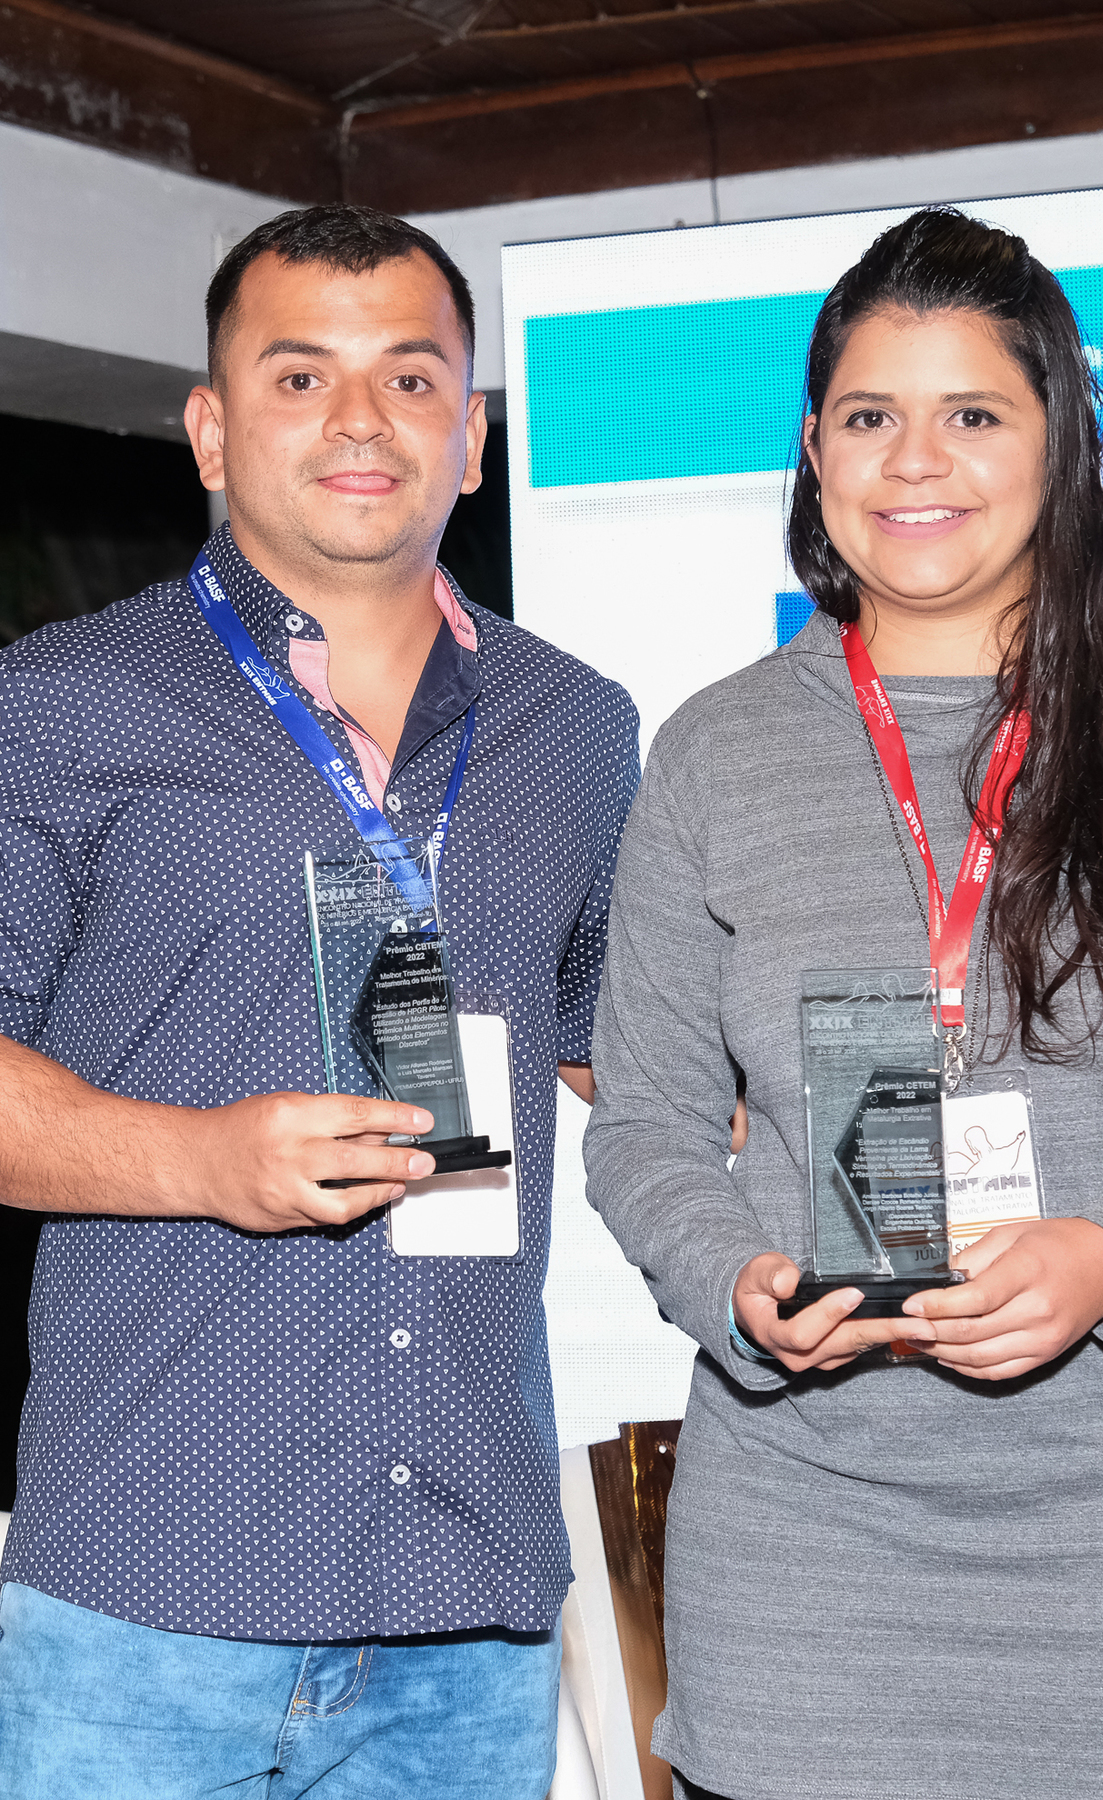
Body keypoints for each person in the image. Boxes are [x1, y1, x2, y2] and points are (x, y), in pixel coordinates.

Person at [0, 204, 639, 1797]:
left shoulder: (578, 726)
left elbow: (618, 1053)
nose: (362, 420)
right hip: (147, 1603)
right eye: (300, 378)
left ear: (472, 438)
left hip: (469, 1600)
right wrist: (206, 1164)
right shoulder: (57, 707)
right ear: (211, 431)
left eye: (412, 379)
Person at [584, 206, 1103, 1799]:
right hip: (808, 1594)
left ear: (1059, 441)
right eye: (872, 416)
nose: (915, 460)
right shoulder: (715, 751)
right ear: (812, 447)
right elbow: (644, 1122)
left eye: (973, 414)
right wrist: (737, 1283)